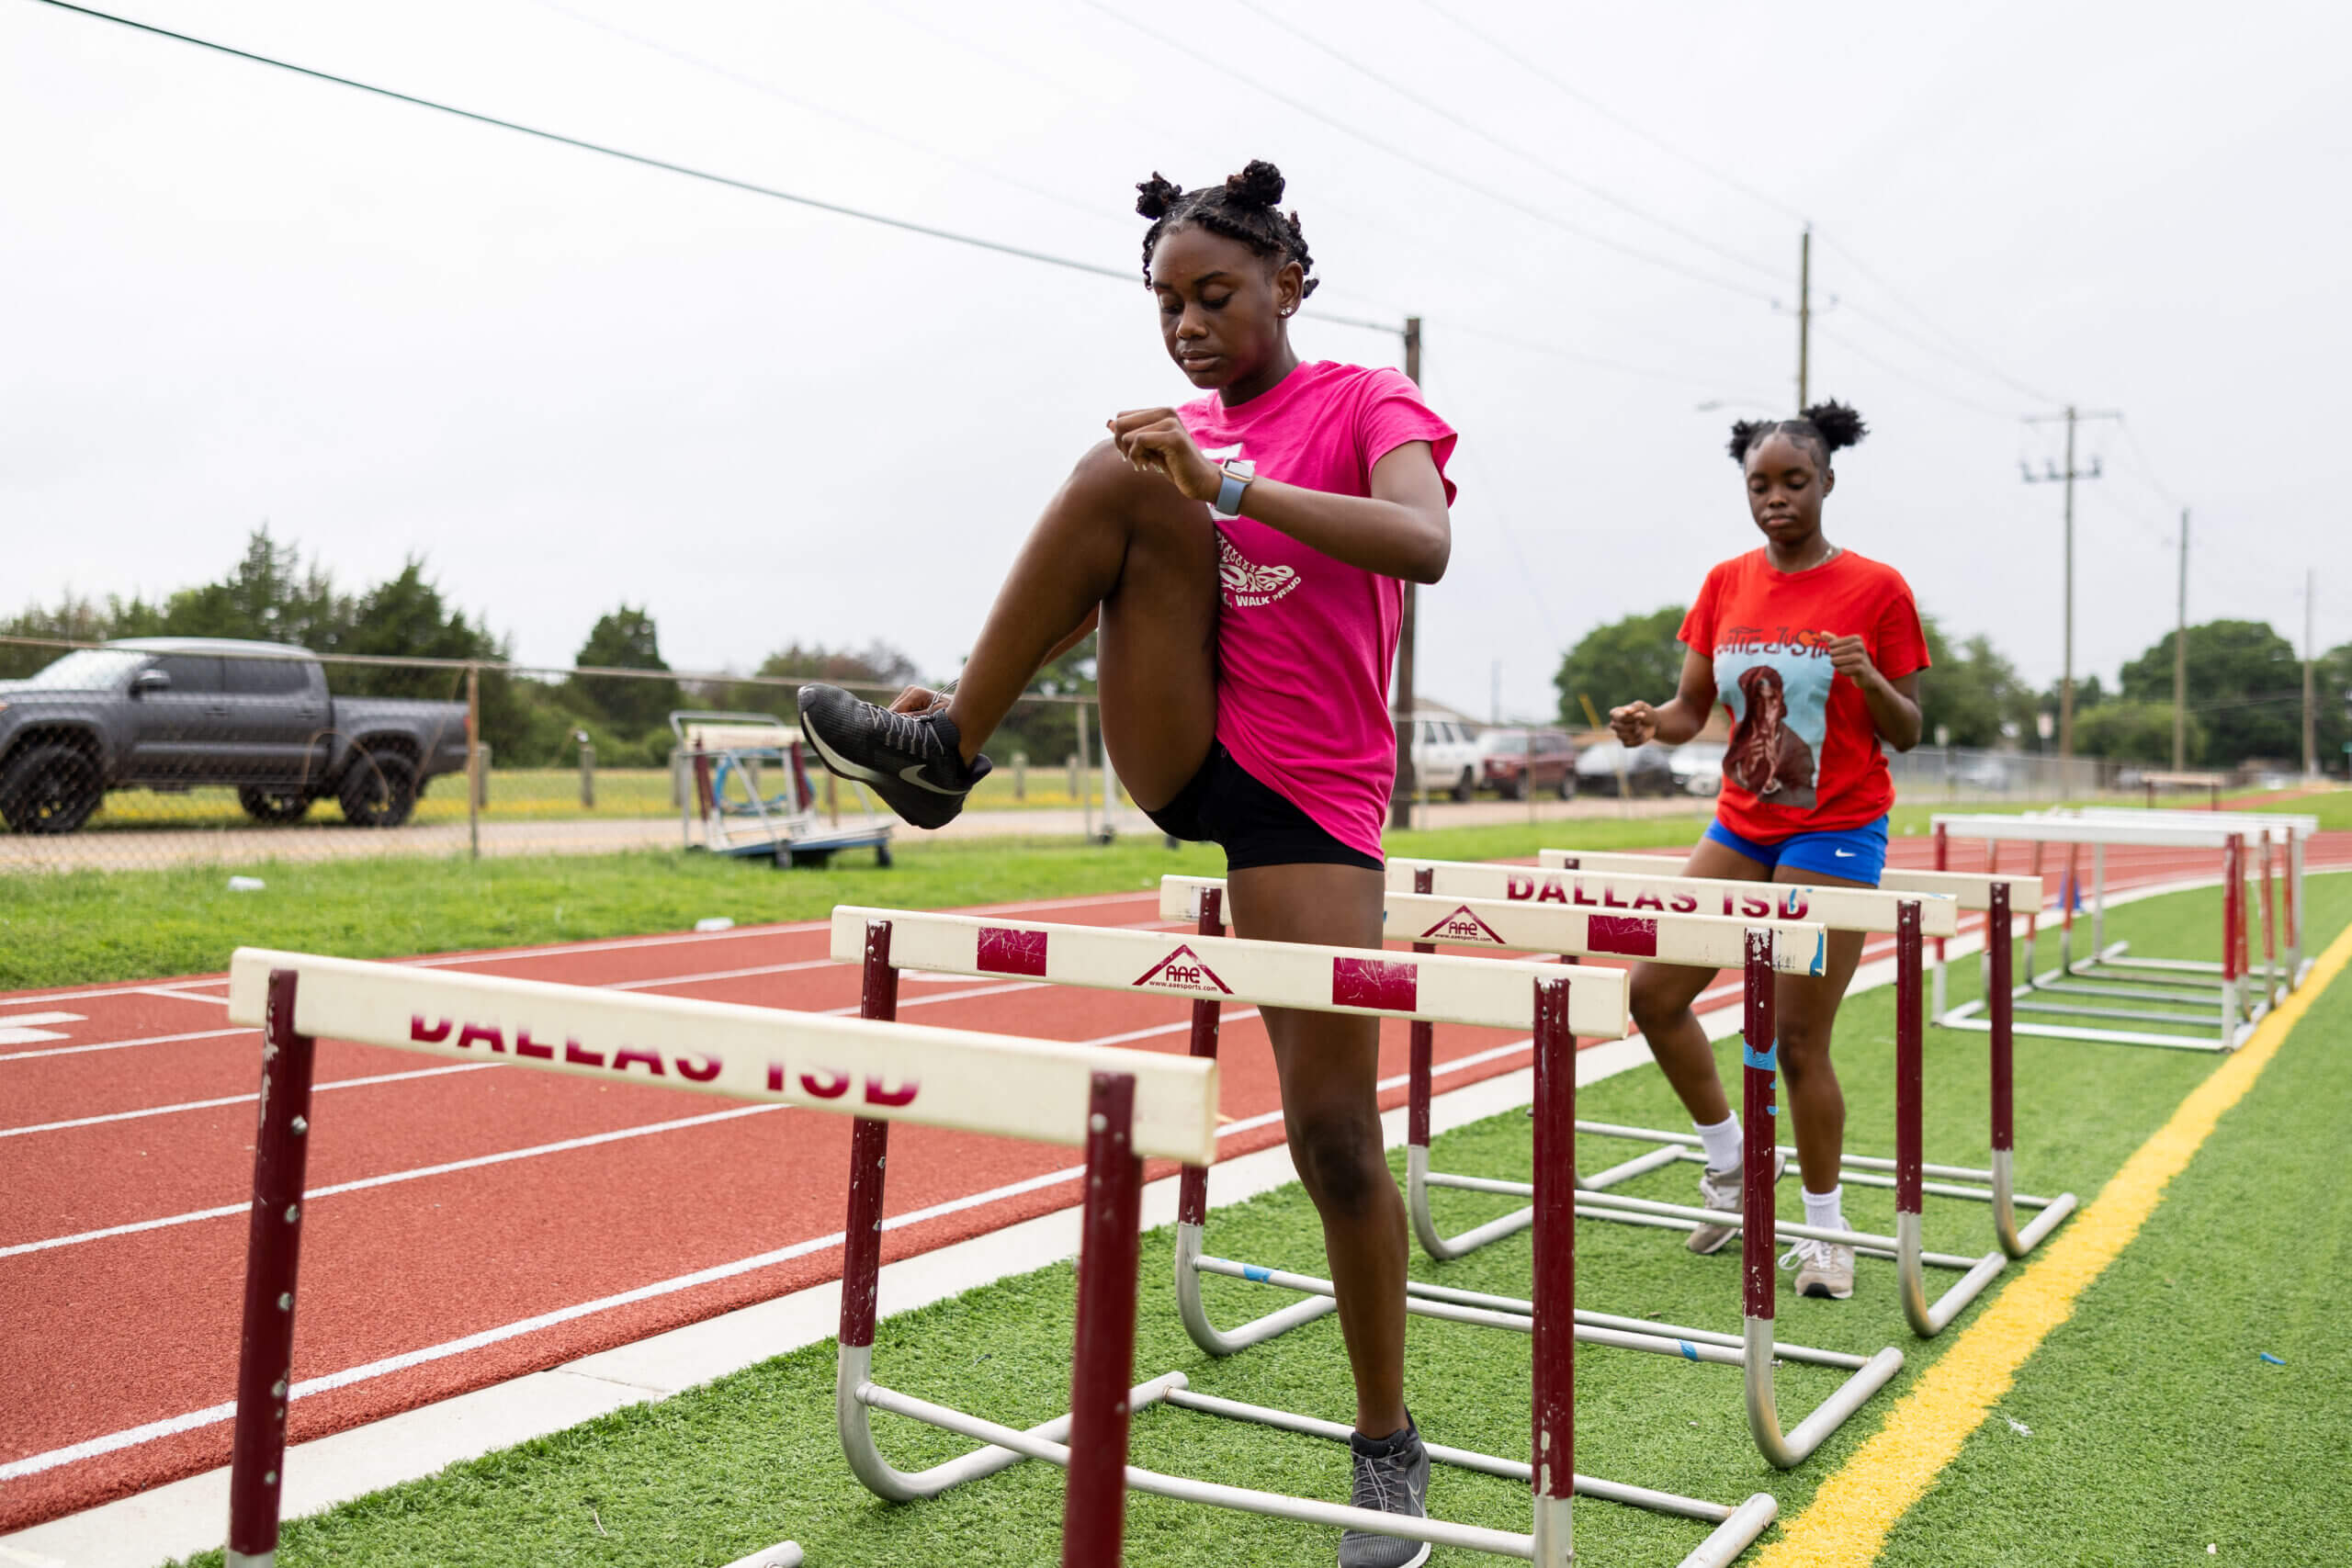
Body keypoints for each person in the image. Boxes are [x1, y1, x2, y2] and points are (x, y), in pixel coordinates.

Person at [797, 161, 1455, 1565]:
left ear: (1290, 281)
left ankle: (1390, 1441)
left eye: (1214, 294)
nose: (1188, 326)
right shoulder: (1181, 440)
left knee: (1334, 1137)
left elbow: (1423, 541)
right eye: (1166, 302)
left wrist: (1235, 482)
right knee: (1122, 475)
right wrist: (1184, 485)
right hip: (1188, 740)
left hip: (1314, 799)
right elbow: (1133, 561)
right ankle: (947, 754)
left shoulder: (1362, 404)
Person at [1608, 402, 1927, 1301]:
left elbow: (1905, 730)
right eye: (1760, 484)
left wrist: (1867, 675)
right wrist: (1648, 726)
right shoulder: (1725, 584)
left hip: (1835, 827)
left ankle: (1826, 1231)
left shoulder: (1877, 589)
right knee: (1653, 992)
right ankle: (1732, 1164)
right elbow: (1688, 711)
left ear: (1827, 482)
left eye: (1794, 482)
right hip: (1742, 820)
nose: (1776, 499)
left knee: (1794, 1040)